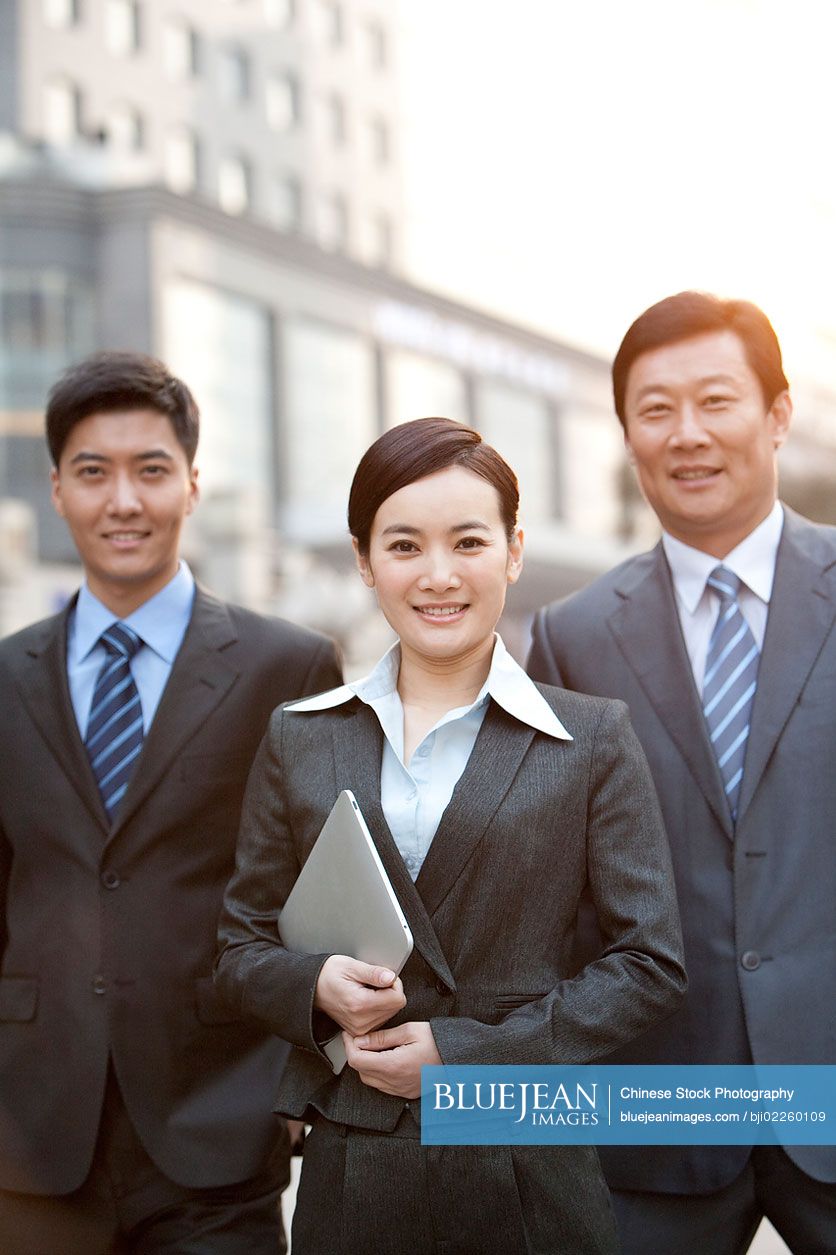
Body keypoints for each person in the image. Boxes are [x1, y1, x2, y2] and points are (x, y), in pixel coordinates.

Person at [215, 416, 686, 1255]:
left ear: (512, 550)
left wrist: (463, 1056)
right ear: (364, 560)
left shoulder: (590, 738)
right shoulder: (301, 734)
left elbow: (648, 964)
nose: (438, 575)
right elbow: (241, 947)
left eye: (468, 541)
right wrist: (316, 982)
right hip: (354, 1163)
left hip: (525, 1166)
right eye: (404, 546)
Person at [0, 351, 342, 1254]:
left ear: (191, 485)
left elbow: (323, 894)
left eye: (151, 470)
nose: (123, 500)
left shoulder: (288, 666)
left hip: (218, 1123)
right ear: (57, 490)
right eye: (93, 473)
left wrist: (305, 1074)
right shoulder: (4, 677)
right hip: (29, 1132)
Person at [527, 292, 836, 1254]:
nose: (687, 434)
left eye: (716, 400)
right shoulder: (572, 637)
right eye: (655, 409)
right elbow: (547, 885)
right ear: (626, 435)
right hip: (657, 1112)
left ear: (778, 414)